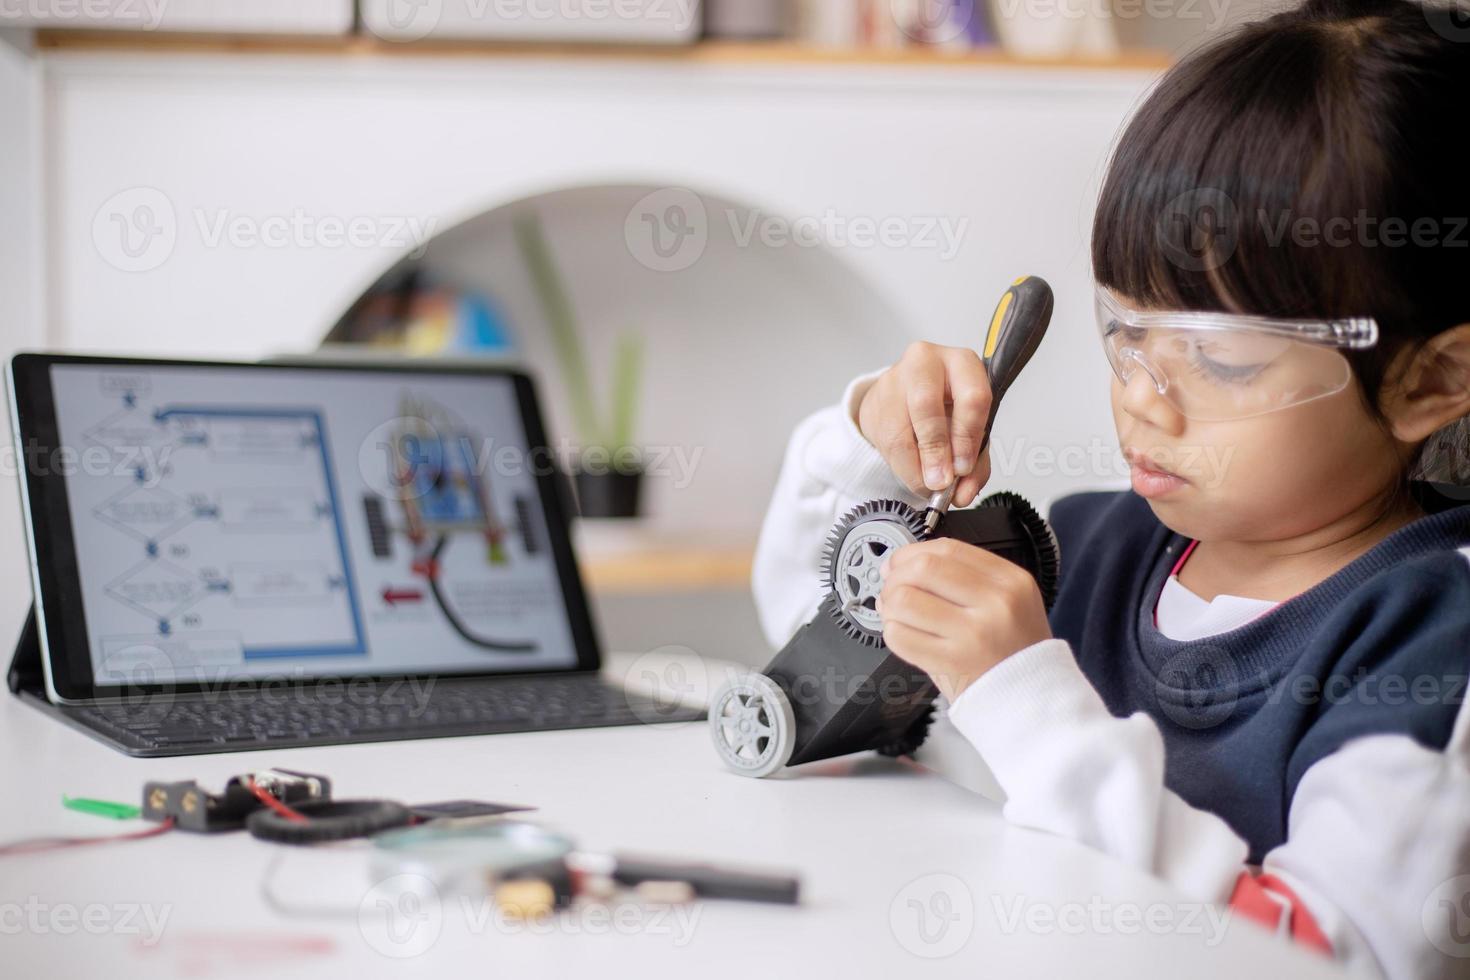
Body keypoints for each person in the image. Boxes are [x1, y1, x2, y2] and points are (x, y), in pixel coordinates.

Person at [753, 0, 1470, 975]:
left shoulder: (1430, 641)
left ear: (1431, 380)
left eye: (1221, 361)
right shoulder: (1090, 550)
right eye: (1126, 332)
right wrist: (865, 437)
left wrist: (1029, 704)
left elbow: (1330, 953)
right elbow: (806, 667)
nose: (1143, 397)